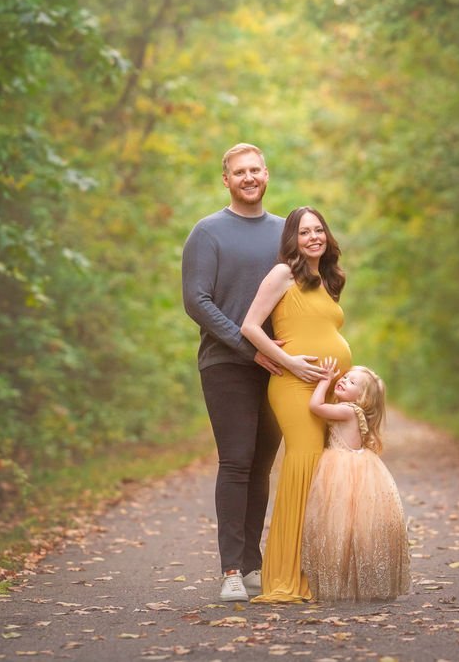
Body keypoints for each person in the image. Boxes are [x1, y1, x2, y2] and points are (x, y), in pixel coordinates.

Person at [181, 143, 285, 602]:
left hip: (279, 365)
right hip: (226, 363)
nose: (249, 178)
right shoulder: (207, 232)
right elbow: (196, 301)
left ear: (266, 174)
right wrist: (248, 348)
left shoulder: (284, 232)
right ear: (226, 180)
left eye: (255, 170)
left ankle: (253, 564)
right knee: (237, 461)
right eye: (239, 172)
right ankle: (231, 571)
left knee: (261, 465)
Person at [240, 206, 351, 603]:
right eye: (304, 232)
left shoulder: (327, 280)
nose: (313, 237)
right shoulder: (282, 274)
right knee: (303, 464)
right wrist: (289, 362)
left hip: (327, 388)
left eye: (318, 230)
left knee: (323, 474)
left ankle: (315, 570)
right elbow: (250, 326)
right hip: (293, 385)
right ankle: (285, 574)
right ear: (293, 239)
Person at [302, 358, 411, 602]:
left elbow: (316, 406)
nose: (343, 380)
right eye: (344, 377)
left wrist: (325, 381)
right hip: (356, 467)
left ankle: (340, 579)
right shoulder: (352, 410)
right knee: (352, 528)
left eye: (351, 382)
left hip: (341, 469)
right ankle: (353, 578)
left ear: (362, 398)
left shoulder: (347, 410)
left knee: (338, 526)